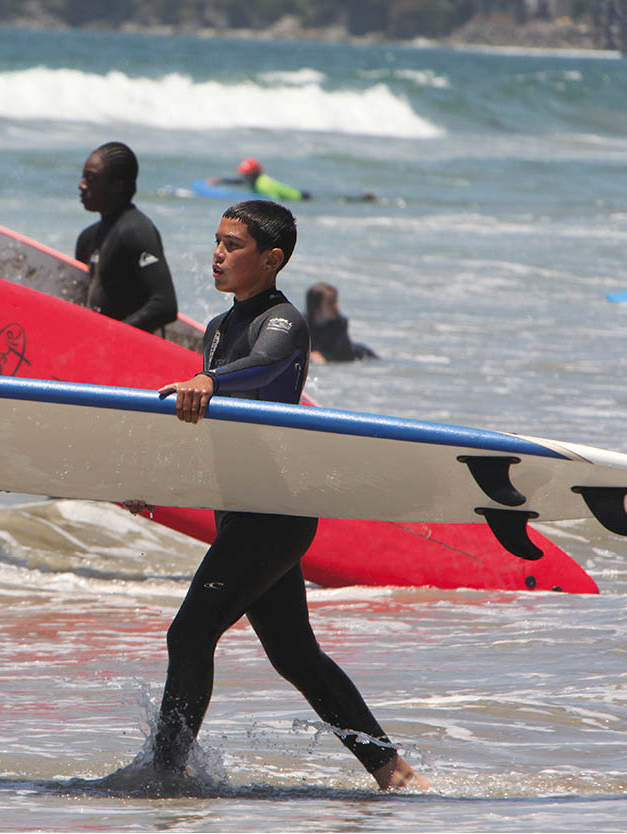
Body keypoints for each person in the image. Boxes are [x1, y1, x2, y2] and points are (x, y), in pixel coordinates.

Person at [133, 200, 428, 791]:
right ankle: (392, 771)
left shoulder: (284, 323)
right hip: (240, 510)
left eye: (233, 245)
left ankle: (164, 775)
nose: (217, 254)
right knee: (294, 655)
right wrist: (161, 485)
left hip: (275, 513)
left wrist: (208, 379)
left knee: (189, 633)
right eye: (216, 241)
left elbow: (265, 367)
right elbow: (214, 426)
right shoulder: (217, 330)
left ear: (272, 260)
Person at [75, 142, 179, 334]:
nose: (82, 185)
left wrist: (114, 335)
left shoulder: (137, 230)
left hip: (131, 352)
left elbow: (165, 305)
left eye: (91, 178)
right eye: (83, 176)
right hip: (100, 350)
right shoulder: (87, 238)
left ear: (117, 186)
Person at [305, 282, 378, 363]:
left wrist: (320, 354)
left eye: (336, 301)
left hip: (356, 352)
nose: (336, 306)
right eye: (330, 303)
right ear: (316, 307)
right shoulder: (303, 324)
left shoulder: (340, 324)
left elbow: (337, 353)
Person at [209, 157, 312, 202]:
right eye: (244, 174)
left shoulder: (264, 184)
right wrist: (220, 180)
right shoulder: (251, 180)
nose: (244, 176)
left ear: (254, 174)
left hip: (300, 197)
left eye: (247, 174)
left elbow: (275, 200)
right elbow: (239, 181)